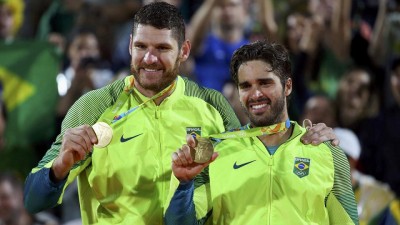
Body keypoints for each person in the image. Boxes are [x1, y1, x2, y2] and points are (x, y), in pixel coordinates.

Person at [24, 3, 339, 224]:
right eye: (141, 47)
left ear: (184, 51)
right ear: (130, 45)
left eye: (162, 49)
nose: (149, 58)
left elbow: (255, 158)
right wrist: (60, 167)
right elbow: (34, 200)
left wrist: (308, 138)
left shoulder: (212, 106)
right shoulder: (94, 107)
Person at [165, 40, 358, 225]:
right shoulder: (215, 154)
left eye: (265, 83)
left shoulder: (329, 153)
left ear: (287, 86)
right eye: (246, 86)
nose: (255, 94)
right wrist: (184, 185)